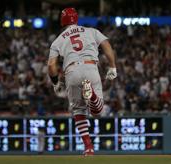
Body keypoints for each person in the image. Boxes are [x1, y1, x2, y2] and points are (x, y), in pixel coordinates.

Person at [47, 8, 117, 156]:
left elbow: (51, 65)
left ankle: (88, 148)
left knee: (79, 111)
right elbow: (107, 47)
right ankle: (91, 95)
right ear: (76, 19)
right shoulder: (91, 31)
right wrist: (112, 66)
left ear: (63, 21)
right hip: (91, 66)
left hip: (71, 72)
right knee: (97, 112)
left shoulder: (58, 39)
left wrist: (55, 82)